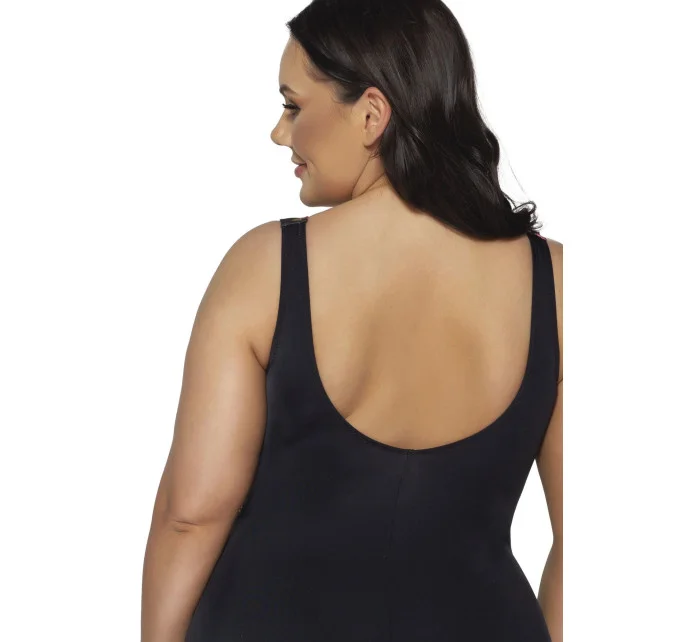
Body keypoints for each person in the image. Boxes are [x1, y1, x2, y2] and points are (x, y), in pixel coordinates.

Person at [141, 1, 563, 640]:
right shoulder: (555, 282)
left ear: (371, 114)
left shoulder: (268, 267)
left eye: (293, 106)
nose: (279, 133)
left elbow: (190, 516)